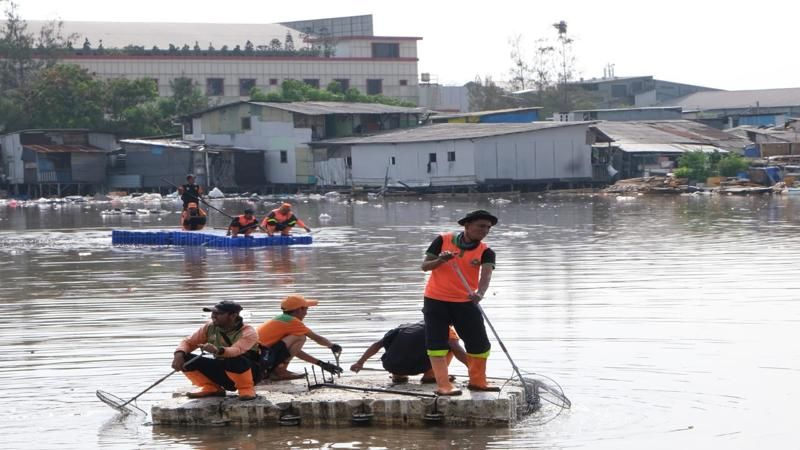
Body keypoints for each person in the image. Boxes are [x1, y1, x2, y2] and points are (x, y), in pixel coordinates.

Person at [420, 209, 500, 396]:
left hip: (465, 301)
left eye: (488, 228)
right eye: (481, 226)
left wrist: (479, 293)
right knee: (437, 343)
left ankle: (478, 381)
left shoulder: (486, 251)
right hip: (436, 299)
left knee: (479, 344)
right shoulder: (443, 240)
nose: (485, 230)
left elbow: (486, 275)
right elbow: (424, 267)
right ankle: (444, 385)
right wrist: (441, 260)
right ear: (467, 226)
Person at [172, 300, 259, 401]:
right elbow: (188, 342)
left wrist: (217, 351)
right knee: (186, 358)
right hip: (224, 368)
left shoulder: (248, 332)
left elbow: (236, 350)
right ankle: (211, 387)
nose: (213, 316)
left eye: (219, 314)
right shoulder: (210, 327)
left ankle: (246, 389)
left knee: (234, 359)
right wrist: (179, 354)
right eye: (213, 313)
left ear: (233, 316)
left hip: (249, 371)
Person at [256, 294, 343, 381]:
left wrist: (321, 364)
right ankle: (280, 371)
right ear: (299, 310)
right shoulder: (292, 321)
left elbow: (294, 352)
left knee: (299, 338)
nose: (306, 313)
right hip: (261, 358)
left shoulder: (283, 319)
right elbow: (316, 338)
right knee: (301, 337)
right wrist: (332, 346)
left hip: (259, 359)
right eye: (306, 309)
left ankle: (277, 371)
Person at [350, 321, 468, 384]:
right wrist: (474, 368)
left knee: (400, 346)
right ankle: (431, 375)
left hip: (393, 365)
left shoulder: (404, 327)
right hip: (418, 365)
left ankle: (398, 376)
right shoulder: (445, 329)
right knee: (451, 345)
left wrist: (360, 363)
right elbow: (458, 351)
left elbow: (377, 345)